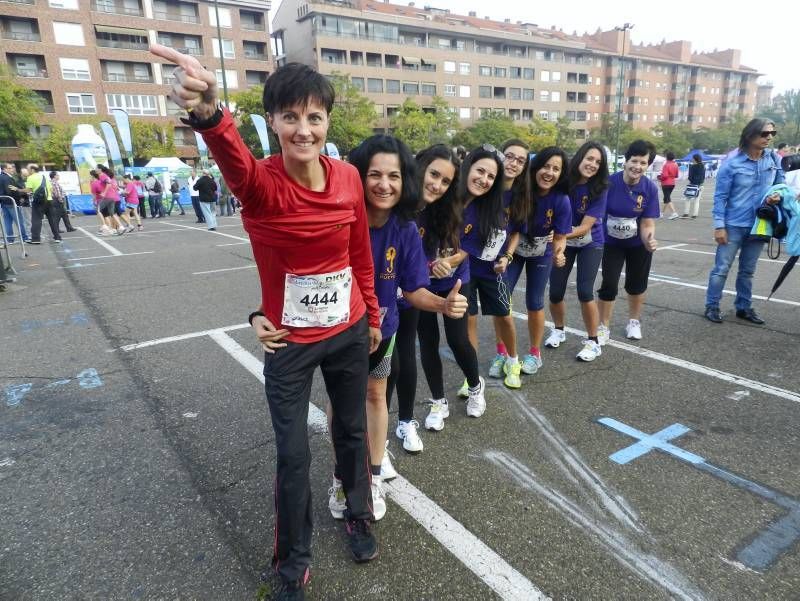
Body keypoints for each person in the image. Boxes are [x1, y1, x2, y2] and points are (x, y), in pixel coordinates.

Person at [152, 43, 383, 599]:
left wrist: (372, 315)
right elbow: (228, 150)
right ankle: (292, 561)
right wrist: (209, 111)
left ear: (327, 121)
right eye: (290, 117)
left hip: (348, 330)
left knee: (351, 432)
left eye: (314, 117)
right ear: (274, 122)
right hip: (289, 343)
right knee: (292, 456)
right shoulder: (258, 185)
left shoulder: (349, 177)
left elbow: (359, 255)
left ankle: (356, 512)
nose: (304, 129)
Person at [329, 134, 467, 522]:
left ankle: (370, 476)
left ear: (404, 179)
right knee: (342, 403)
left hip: (383, 331)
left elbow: (413, 289)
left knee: (375, 396)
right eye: (374, 174)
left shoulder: (405, 229)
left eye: (393, 175)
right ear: (358, 176)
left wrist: (443, 303)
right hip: (339, 332)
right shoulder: (340, 218)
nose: (384, 184)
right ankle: (341, 476)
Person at [386, 144, 480, 439]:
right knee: (389, 366)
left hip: (414, 291)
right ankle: (379, 440)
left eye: (445, 181)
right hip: (382, 291)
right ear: (419, 167)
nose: (437, 185)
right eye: (433, 174)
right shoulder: (393, 202)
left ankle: (404, 422)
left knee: (409, 354)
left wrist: (435, 266)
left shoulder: (438, 211)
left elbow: (427, 260)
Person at [704, 118, 784, 325]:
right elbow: (720, 197)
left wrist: (777, 196)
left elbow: (780, 185)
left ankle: (744, 307)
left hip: (760, 224)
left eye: (772, 134)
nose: (769, 138)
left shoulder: (773, 160)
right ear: (750, 135)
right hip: (733, 225)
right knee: (721, 269)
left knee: (748, 271)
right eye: (765, 134)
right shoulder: (732, 164)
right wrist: (719, 226)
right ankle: (712, 306)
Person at [505, 147, 572, 376]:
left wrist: (559, 253)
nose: (549, 173)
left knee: (535, 302)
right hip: (513, 250)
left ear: (561, 174)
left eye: (556, 169)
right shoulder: (519, 190)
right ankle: (501, 351)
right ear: (535, 167)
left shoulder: (561, 200)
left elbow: (561, 237)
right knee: (502, 300)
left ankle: (535, 354)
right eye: (546, 166)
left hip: (541, 254)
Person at [545, 141, 609, 362]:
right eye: (589, 158)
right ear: (580, 158)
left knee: (585, 291)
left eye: (598, 162)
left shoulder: (599, 189)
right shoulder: (564, 182)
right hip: (563, 240)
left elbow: (584, 227)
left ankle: (593, 341)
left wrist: (558, 235)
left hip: (590, 243)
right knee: (555, 291)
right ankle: (559, 329)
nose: (592, 164)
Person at [597, 140, 659, 342]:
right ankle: (603, 325)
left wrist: (649, 240)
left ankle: (634, 321)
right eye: (634, 161)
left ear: (648, 165)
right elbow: (596, 214)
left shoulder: (649, 188)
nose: (637, 167)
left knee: (636, 285)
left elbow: (647, 223)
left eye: (643, 163)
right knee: (609, 284)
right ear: (625, 161)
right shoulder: (608, 184)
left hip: (637, 245)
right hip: (611, 244)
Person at [459, 145, 506, 407]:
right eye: (480, 171)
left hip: (461, 277)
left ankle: (474, 382)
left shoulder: (488, 209)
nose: (484, 180)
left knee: (460, 335)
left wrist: (506, 258)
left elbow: (468, 250)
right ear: (467, 167)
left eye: (491, 177)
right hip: (426, 277)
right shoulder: (446, 196)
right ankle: (437, 400)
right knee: (426, 340)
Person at [486, 139, 529, 388]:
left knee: (504, 313)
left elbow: (515, 232)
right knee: (469, 317)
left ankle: (513, 360)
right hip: (472, 262)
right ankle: (473, 373)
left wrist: (508, 256)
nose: (513, 163)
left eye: (520, 160)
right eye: (509, 156)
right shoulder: (485, 186)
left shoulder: (521, 196)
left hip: (499, 264)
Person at [22, 164, 61, 244]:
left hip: (39, 202)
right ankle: (57, 237)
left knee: (36, 220)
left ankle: (36, 239)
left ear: (32, 170)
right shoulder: (44, 177)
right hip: (49, 200)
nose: (27, 170)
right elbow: (51, 188)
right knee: (52, 220)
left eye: (28, 169)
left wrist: (18, 190)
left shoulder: (30, 178)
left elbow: (28, 190)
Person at [0, 163, 29, 244]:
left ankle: (10, 239)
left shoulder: (2, 177)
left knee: (7, 221)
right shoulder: (7, 178)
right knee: (19, 221)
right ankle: (24, 237)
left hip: (4, 202)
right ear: (4, 169)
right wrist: (20, 197)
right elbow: (9, 191)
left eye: (12, 168)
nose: (12, 169)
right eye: (9, 168)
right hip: (11, 202)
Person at [682, 154, 706, 219]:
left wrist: (692, 180)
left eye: (692, 158)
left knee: (687, 199)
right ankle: (695, 214)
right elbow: (703, 176)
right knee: (697, 200)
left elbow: (690, 177)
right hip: (700, 185)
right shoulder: (703, 166)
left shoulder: (692, 167)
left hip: (692, 185)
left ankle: (686, 213)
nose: (692, 159)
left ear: (695, 159)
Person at [659, 151, 680, 220]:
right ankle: (661, 213)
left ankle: (674, 213)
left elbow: (664, 175)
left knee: (667, 198)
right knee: (666, 198)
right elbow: (676, 175)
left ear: (667, 157)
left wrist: (660, 177)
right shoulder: (675, 165)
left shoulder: (666, 165)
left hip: (665, 183)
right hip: (672, 183)